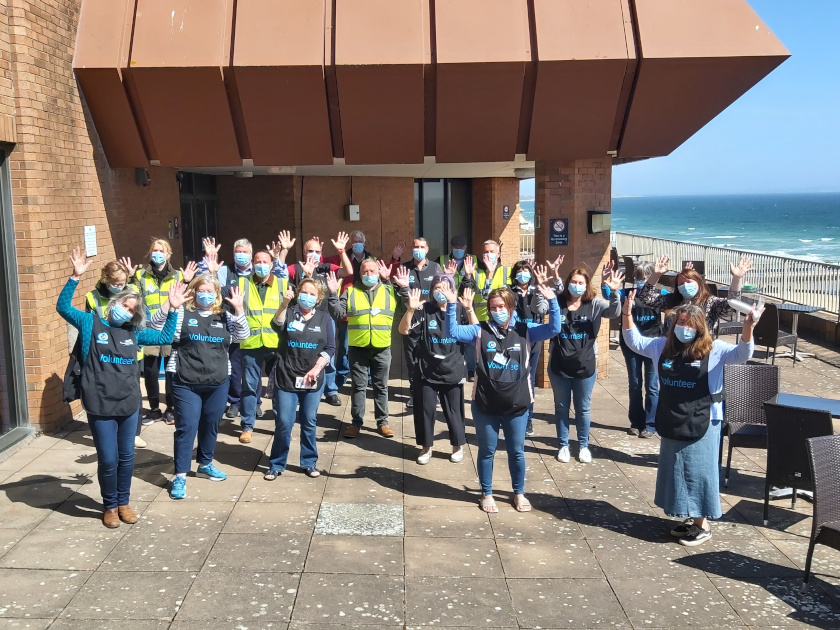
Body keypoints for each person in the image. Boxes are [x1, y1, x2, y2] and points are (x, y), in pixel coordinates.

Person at [57, 247, 180, 528]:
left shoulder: (133, 333)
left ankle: (124, 503)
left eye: (133, 310)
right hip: (100, 404)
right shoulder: (91, 322)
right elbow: (63, 308)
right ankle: (109, 506)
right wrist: (75, 277)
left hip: (128, 404)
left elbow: (165, 336)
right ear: (115, 302)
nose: (128, 311)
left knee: (127, 458)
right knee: (109, 459)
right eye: (126, 305)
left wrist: (173, 309)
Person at [622, 296, 759, 546]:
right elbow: (635, 341)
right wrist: (627, 314)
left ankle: (702, 524)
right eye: (680, 323)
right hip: (673, 416)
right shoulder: (662, 346)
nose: (685, 329)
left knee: (699, 471)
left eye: (690, 324)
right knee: (676, 469)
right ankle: (688, 517)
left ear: (700, 327)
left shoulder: (715, 349)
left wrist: (748, 328)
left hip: (705, 419)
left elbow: (742, 354)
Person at [443, 282, 560, 513]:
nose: (497, 311)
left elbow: (554, 329)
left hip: (517, 404)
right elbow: (453, 331)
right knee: (487, 451)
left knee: (517, 451)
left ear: (511, 306)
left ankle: (519, 492)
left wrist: (553, 301)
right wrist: (450, 304)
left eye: (501, 306)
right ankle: (486, 493)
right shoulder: (480, 330)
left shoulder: (525, 330)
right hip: (485, 403)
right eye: (493, 307)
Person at [148, 274, 249, 500]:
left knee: (211, 424)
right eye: (201, 290)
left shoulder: (224, 316)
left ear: (216, 294)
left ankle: (205, 463)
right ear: (193, 292)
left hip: (218, 382)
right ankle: (181, 475)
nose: (206, 294)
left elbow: (243, 335)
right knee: (187, 427)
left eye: (210, 291)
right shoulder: (183, 313)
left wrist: (240, 310)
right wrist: (169, 305)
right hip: (186, 382)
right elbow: (154, 328)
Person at [549, 264, 623, 464]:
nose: (577, 285)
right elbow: (538, 308)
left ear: (587, 284)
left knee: (583, 408)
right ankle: (563, 445)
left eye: (581, 283)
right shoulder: (558, 301)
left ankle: (583, 446)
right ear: (568, 283)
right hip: (559, 365)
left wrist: (615, 292)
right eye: (573, 282)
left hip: (585, 366)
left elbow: (614, 312)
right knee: (561, 407)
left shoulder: (595, 304)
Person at [264, 278, 336, 480]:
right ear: (297, 293)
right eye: (304, 292)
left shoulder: (324, 319)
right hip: (287, 376)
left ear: (318, 298)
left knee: (309, 421)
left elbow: (330, 348)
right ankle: (277, 464)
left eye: (313, 294)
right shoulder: (288, 312)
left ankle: (309, 462)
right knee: (284, 422)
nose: (308, 296)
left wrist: (317, 368)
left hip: (312, 378)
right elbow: (276, 324)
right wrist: (284, 303)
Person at [398, 276, 474, 464]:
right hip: (427, 369)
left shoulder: (458, 309)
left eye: (445, 288)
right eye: (437, 288)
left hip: (453, 368)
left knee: (454, 411)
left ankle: (457, 446)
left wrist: (469, 309)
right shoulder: (424, 310)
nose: (441, 291)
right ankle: (426, 447)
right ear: (431, 290)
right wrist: (410, 310)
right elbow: (404, 330)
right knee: (425, 409)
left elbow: (475, 332)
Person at [199, 237, 275, 421]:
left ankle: (254, 403)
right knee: (234, 367)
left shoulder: (255, 277)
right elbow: (216, 291)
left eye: (245, 252)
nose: (241, 256)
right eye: (237, 252)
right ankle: (234, 401)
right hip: (231, 324)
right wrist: (213, 273)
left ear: (251, 255)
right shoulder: (225, 270)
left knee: (252, 370)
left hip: (254, 329)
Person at [273, 230, 352, 407]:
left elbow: (348, 270)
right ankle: (299, 387)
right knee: (302, 353)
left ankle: (330, 390)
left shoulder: (326, 268)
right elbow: (279, 272)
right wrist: (284, 251)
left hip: (324, 318)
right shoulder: (297, 268)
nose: (314, 254)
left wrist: (341, 251)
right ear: (304, 252)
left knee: (328, 358)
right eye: (310, 251)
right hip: (300, 317)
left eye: (317, 251)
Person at [124, 239, 197, 426]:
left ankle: (171, 408)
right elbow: (134, 297)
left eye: (161, 250)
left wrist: (187, 281)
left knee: (172, 371)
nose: (157, 253)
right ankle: (155, 409)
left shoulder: (177, 275)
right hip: (149, 329)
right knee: (151, 371)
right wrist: (131, 279)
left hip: (171, 328)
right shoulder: (140, 274)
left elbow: (185, 298)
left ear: (168, 254)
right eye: (154, 250)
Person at [326, 259, 397, 438]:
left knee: (381, 387)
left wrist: (396, 284)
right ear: (360, 274)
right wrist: (333, 294)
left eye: (372, 271)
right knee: (359, 387)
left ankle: (383, 423)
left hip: (382, 347)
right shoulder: (350, 292)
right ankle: (356, 423)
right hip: (358, 348)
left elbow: (406, 304)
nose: (368, 275)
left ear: (378, 272)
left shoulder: (389, 289)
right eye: (365, 272)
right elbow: (337, 313)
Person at [84, 260, 147, 448]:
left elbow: (142, 316)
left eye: (122, 282)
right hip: (104, 353)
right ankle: (109, 428)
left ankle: (133, 432)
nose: (119, 286)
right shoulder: (92, 297)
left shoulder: (132, 291)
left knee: (133, 393)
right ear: (106, 280)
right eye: (115, 282)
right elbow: (89, 326)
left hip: (129, 351)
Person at [604, 261, 665, 438]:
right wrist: (605, 281)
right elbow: (608, 294)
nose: (641, 281)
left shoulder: (659, 295)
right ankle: (635, 422)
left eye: (644, 277)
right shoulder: (627, 293)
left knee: (652, 385)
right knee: (635, 383)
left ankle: (650, 424)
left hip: (652, 343)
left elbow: (676, 298)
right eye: (638, 277)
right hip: (631, 345)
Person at [236, 249, 289, 444]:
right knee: (249, 386)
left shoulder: (283, 284)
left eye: (264, 261)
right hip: (251, 343)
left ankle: (281, 426)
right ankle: (247, 426)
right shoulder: (242, 284)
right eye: (257, 261)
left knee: (279, 388)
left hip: (276, 344)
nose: (261, 264)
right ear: (252, 263)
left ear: (272, 264)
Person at [638, 255, 752, 332]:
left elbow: (732, 306)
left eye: (688, 281)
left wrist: (736, 279)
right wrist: (655, 275)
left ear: (698, 282)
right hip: (674, 351)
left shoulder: (710, 302)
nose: (685, 285)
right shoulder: (672, 301)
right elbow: (646, 298)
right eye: (681, 283)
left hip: (702, 352)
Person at [394, 237, 444, 407]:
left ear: (427, 249)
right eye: (416, 246)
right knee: (412, 360)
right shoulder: (404, 269)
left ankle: (433, 393)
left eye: (422, 247)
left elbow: (442, 290)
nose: (418, 249)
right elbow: (397, 294)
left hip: (431, 321)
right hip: (411, 320)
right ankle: (415, 392)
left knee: (432, 357)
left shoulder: (436, 268)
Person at [509, 260, 551, 437]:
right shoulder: (509, 291)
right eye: (520, 271)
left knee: (530, 380)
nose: (523, 274)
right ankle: (511, 417)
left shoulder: (537, 290)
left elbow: (546, 310)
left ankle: (528, 420)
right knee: (513, 378)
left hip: (534, 340)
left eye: (526, 271)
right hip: (514, 339)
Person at [461, 239, 509, 382]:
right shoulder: (476, 273)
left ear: (498, 253)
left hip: (499, 321)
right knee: (475, 354)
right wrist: (468, 275)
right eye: (485, 252)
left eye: (492, 252)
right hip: (478, 319)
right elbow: (468, 292)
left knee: (495, 354)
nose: (488, 255)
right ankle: (474, 372)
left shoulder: (506, 271)